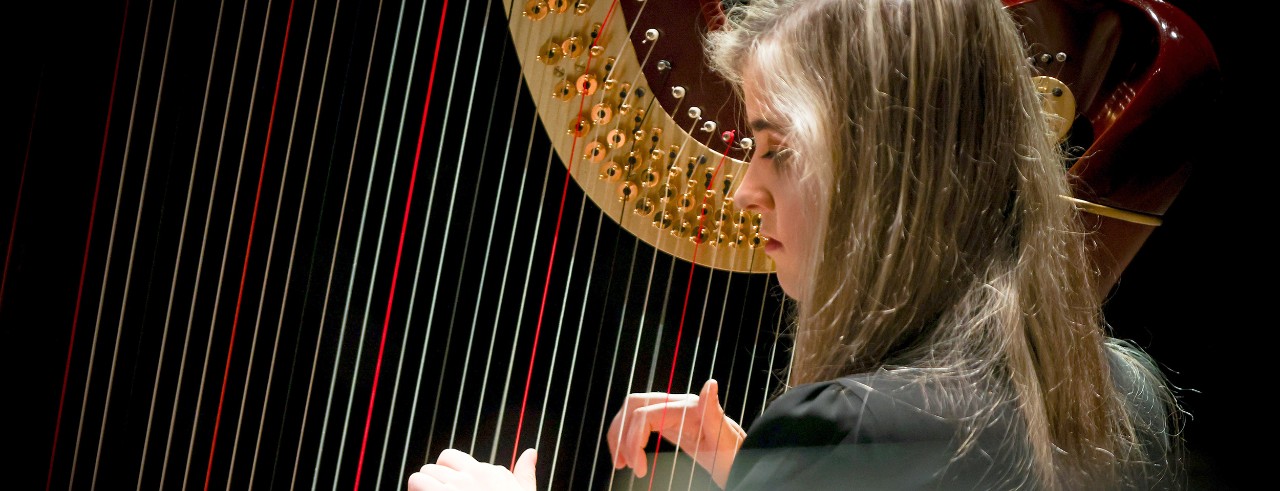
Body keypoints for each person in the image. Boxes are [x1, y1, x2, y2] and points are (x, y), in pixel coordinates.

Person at [406, 0, 1182, 489]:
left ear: (885, 172)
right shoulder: (1120, 392)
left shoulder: (852, 428)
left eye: (776, 147)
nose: (745, 189)